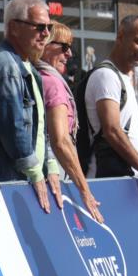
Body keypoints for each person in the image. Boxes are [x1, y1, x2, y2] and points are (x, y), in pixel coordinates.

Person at [0, 0, 61, 213]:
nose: (46, 33)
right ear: (15, 28)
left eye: (49, 27)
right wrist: (37, 174)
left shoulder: (27, 66)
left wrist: (51, 165)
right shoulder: (6, 67)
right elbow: (14, 128)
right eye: (39, 27)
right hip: (4, 183)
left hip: (21, 180)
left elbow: (38, 128)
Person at [80, 15, 138, 198]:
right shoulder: (106, 76)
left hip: (126, 180)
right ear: (121, 36)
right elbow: (112, 131)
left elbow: (133, 134)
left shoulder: (126, 77)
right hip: (107, 182)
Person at [36, 22, 103, 223]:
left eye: (70, 47)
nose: (69, 54)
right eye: (64, 47)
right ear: (46, 45)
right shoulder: (52, 82)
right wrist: (85, 190)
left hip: (48, 170)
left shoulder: (38, 75)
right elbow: (61, 141)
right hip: (53, 173)